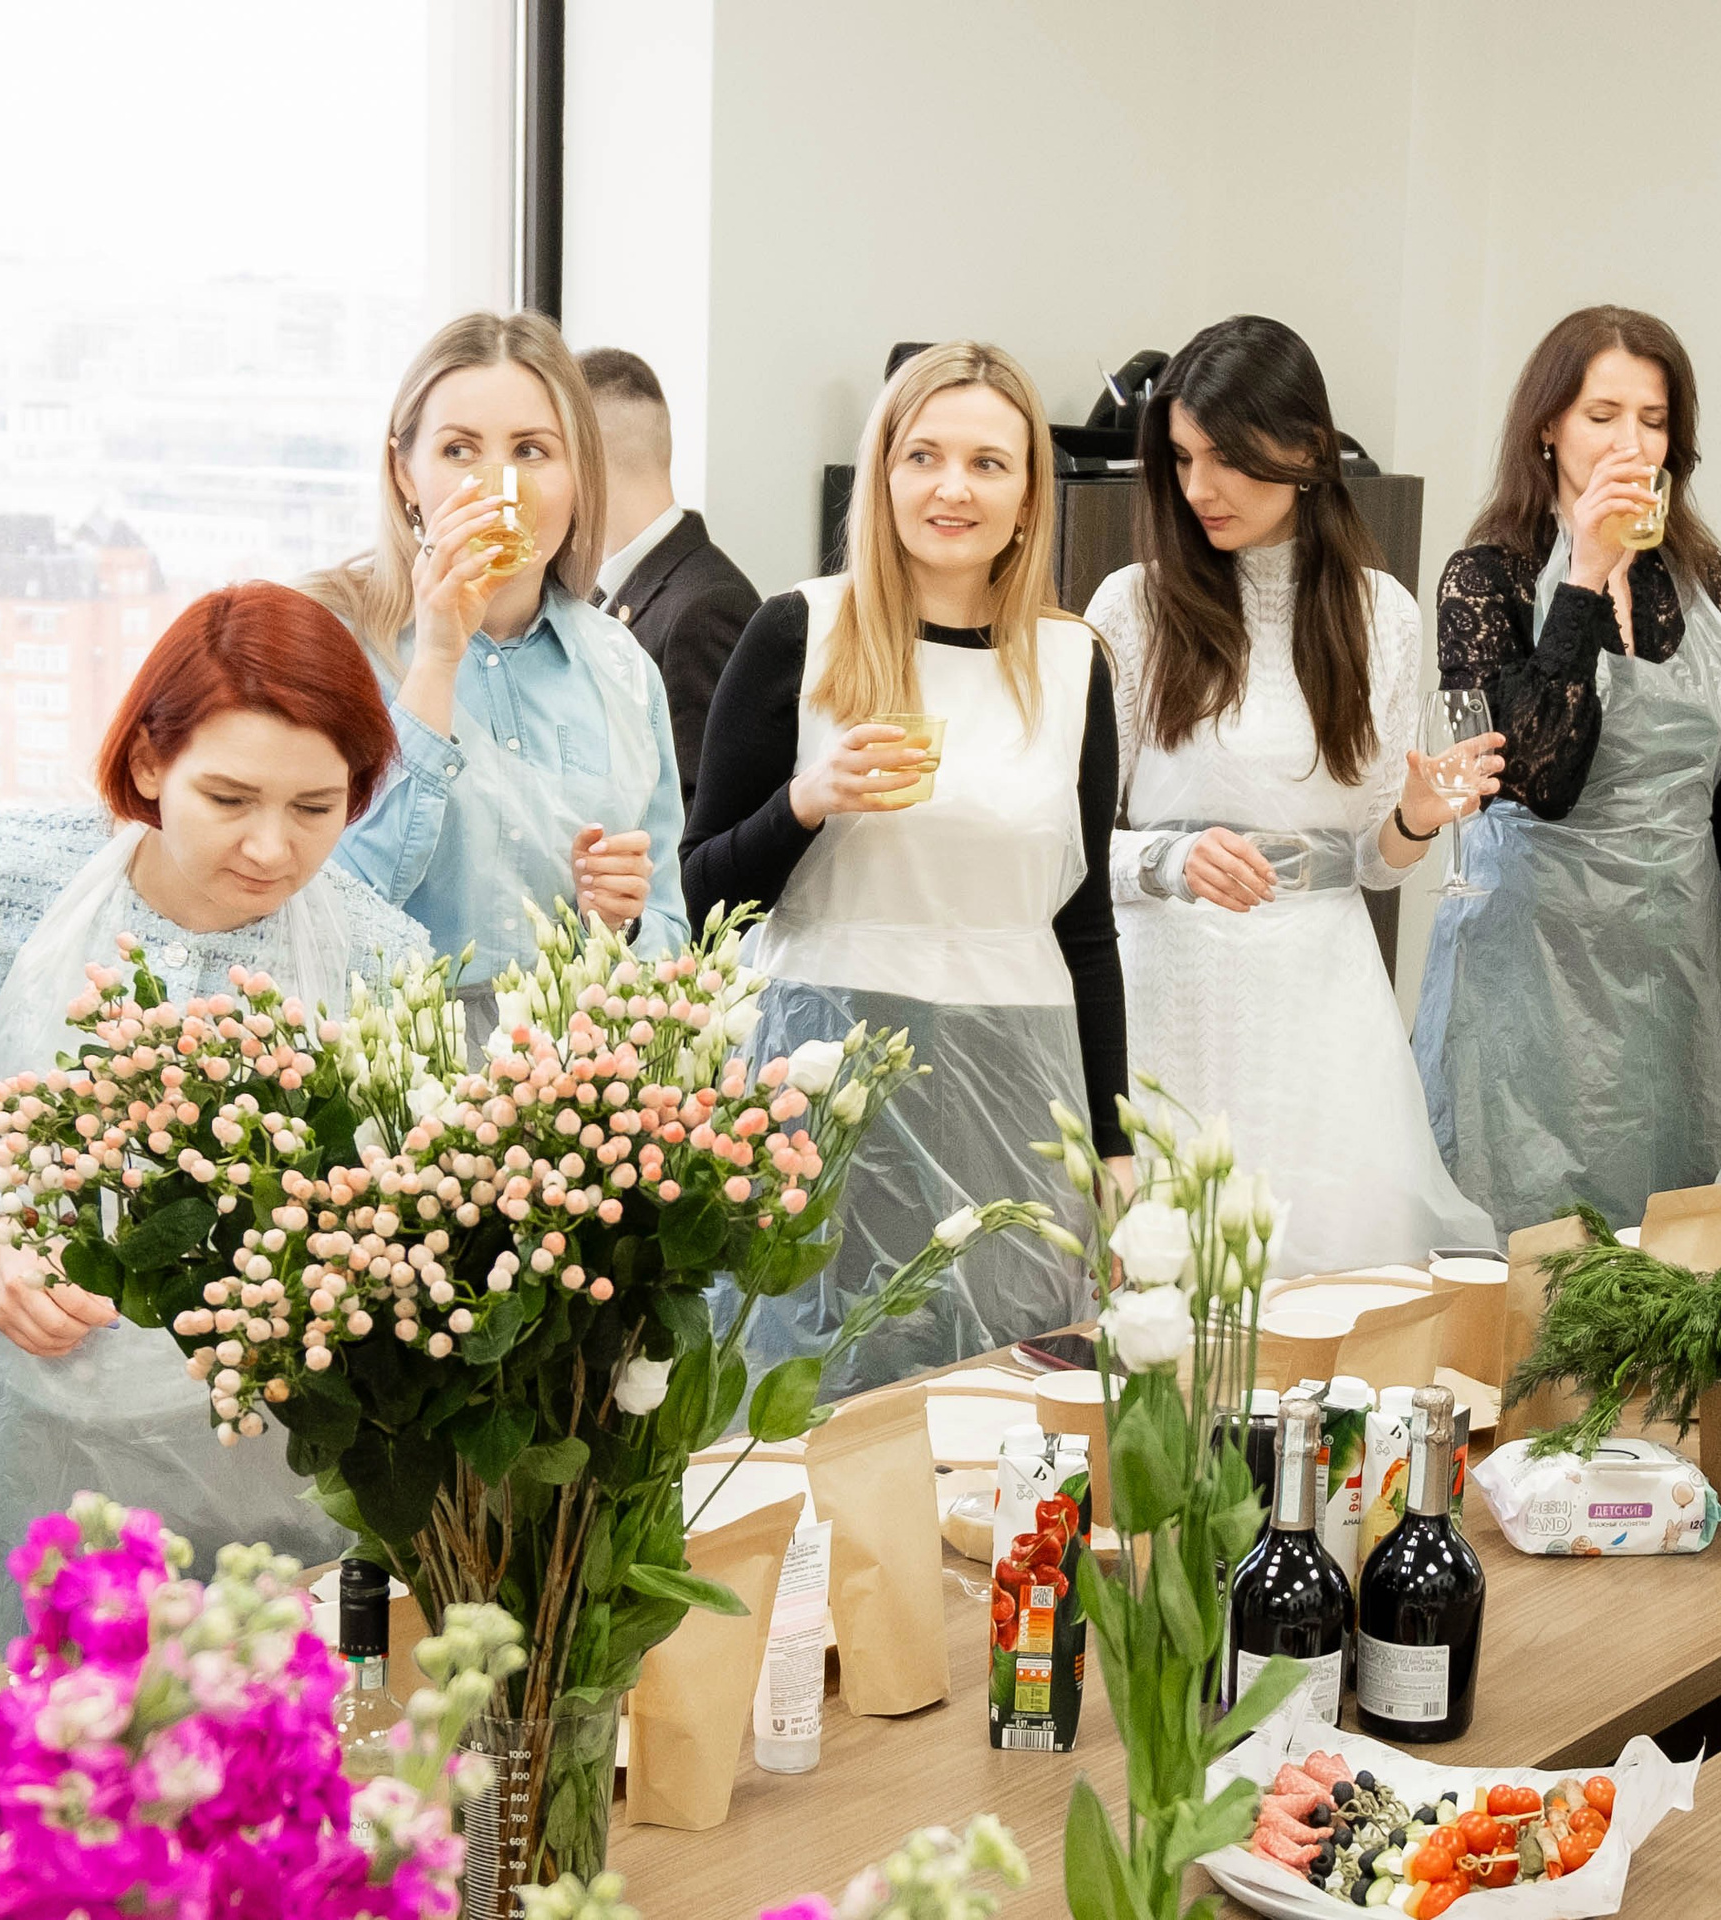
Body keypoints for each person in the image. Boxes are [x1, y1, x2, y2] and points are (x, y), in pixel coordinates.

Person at [0, 583, 427, 1643]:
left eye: (315, 809)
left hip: (267, 1484)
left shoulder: (382, 959)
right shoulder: (9, 880)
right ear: (151, 763)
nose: (270, 849)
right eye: (230, 798)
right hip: (19, 1451)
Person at [684, 342, 1123, 1391]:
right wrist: (806, 802)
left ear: (1029, 496)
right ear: (881, 475)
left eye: (987, 463)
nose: (951, 488)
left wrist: (1113, 1148)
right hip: (823, 1081)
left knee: (1004, 1386)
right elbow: (702, 896)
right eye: (922, 456)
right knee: (814, 1385)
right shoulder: (800, 631)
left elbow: (1086, 926)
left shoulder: (1073, 665)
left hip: (1018, 1083)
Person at [1086, 315, 1497, 1275]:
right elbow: (1069, 847)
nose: (1199, 488)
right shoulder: (1133, 604)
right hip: (1168, 991)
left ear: (1308, 449)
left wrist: (1414, 820)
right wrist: (1168, 859)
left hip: (1317, 996)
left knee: (1330, 1278)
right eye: (1183, 458)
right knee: (1166, 1283)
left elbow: (1372, 867)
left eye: (1227, 458)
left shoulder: (1379, 613)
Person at [1412, 306, 1721, 1232]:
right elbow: (1539, 778)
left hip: (1676, 977)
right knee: (1518, 1253)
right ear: (1548, 426)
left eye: (1654, 421)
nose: (1631, 444)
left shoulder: (1716, 587)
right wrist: (1584, 575)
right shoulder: (1485, 578)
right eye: (1602, 415)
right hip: (1524, 975)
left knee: (1672, 1257)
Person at [308, 311, 689, 1005]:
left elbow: (668, 928)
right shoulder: (326, 641)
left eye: (531, 451)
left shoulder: (623, 667)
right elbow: (324, 909)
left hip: (564, 1068)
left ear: (579, 475)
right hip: (381, 1063)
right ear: (404, 473)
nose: (498, 487)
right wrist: (436, 660)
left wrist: (621, 928)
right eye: (459, 451)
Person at [578, 346, 763, 827]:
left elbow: (699, 824)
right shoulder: (598, 594)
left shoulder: (704, 610)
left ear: (584, 458)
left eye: (538, 451)